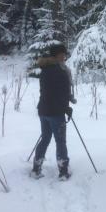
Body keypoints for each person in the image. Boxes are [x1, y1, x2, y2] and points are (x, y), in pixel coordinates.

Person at [31, 43, 75, 180]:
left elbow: (47, 92)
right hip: (55, 112)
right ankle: (63, 172)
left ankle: (36, 168)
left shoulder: (46, 69)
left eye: (65, 54)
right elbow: (60, 94)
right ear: (56, 55)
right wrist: (66, 107)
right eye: (62, 54)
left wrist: (67, 102)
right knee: (60, 141)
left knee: (45, 138)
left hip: (43, 110)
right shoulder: (60, 71)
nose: (65, 57)